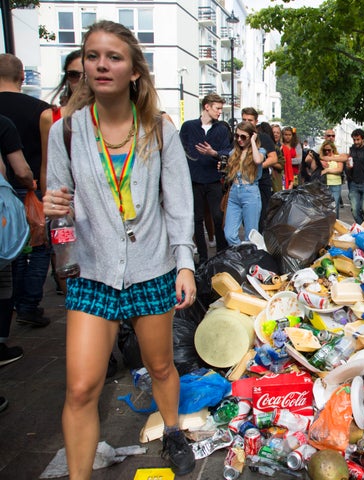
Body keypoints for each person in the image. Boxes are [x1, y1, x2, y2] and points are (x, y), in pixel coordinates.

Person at [43, 20, 197, 477]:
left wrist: (185, 263)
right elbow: (60, 200)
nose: (101, 65)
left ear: (134, 71)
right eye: (93, 56)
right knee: (81, 387)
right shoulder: (66, 132)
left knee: (161, 366)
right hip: (93, 271)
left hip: (152, 266)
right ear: (83, 67)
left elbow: (180, 205)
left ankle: (171, 431)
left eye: (114, 57)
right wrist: (53, 206)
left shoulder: (159, 130)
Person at [0, 54, 53, 328]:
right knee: (40, 248)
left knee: (11, 252)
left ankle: (11, 303)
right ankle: (28, 305)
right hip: (30, 189)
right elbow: (47, 156)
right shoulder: (40, 109)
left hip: (5, 192)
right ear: (22, 76)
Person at [41, 50, 83, 297]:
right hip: (69, 218)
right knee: (75, 291)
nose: (80, 81)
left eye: (84, 74)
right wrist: (44, 204)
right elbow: (48, 168)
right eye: (73, 74)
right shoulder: (55, 120)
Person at [179, 93, 231, 265]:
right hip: (193, 180)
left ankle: (222, 253)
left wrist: (213, 153)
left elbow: (228, 152)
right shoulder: (188, 127)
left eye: (221, 109)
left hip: (214, 180)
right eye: (217, 108)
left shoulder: (222, 130)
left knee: (218, 216)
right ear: (206, 107)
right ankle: (202, 257)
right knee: (196, 219)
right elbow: (179, 149)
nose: (219, 112)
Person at [0, 115, 34, 367]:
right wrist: (30, 183)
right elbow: (19, 170)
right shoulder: (3, 123)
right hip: (10, 206)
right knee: (7, 271)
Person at [223, 121, 265, 244]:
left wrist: (253, 141)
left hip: (250, 192)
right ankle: (241, 257)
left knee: (251, 236)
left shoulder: (259, 151)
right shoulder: (233, 153)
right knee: (229, 234)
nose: (239, 139)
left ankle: (249, 260)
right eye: (237, 136)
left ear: (251, 136)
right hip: (234, 192)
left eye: (243, 137)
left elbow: (257, 160)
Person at [240, 107, 279, 232]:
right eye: (244, 119)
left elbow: (273, 158)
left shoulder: (263, 138)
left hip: (261, 182)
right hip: (243, 184)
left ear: (256, 122)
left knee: (261, 217)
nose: (246, 122)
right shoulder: (238, 138)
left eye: (250, 120)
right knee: (245, 218)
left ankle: (260, 246)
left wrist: (257, 166)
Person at [318, 139, 344, 218]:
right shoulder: (321, 158)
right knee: (325, 209)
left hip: (336, 185)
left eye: (328, 150)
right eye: (324, 150)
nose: (327, 152)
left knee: (335, 207)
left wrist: (327, 170)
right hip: (324, 185)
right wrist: (320, 160)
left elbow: (339, 169)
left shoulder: (338, 157)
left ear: (333, 149)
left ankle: (336, 225)